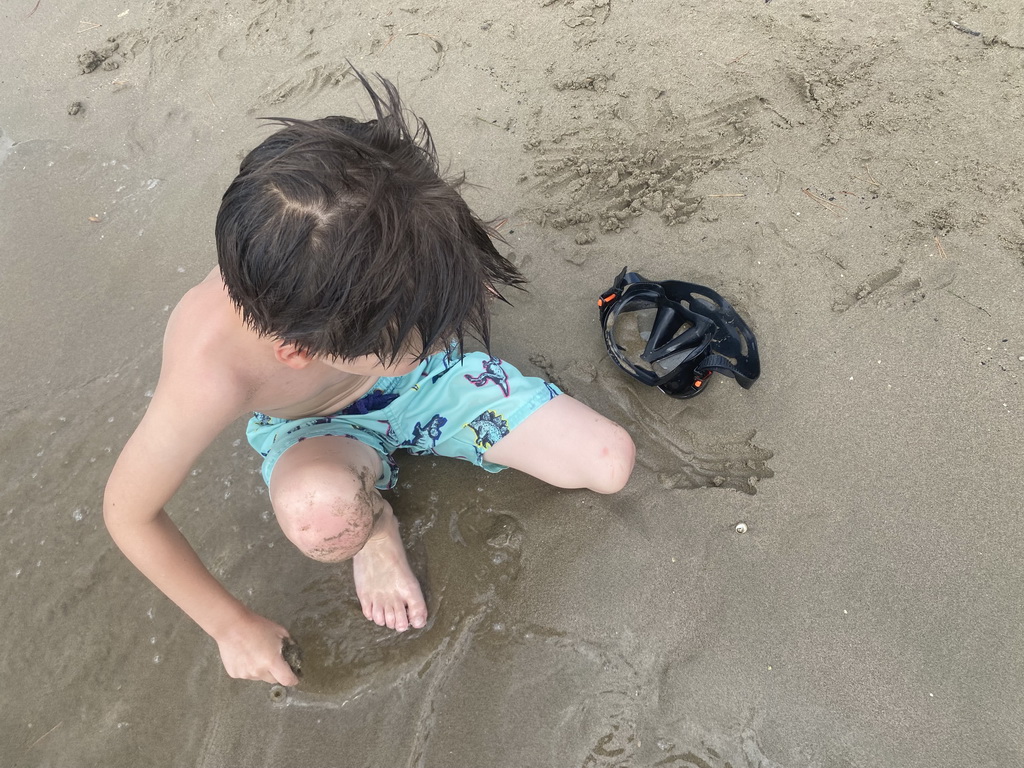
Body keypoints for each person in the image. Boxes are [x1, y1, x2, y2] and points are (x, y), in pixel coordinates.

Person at [103, 70, 635, 688]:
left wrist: (448, 279)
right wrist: (230, 625)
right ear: (299, 352)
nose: (445, 328)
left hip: (434, 385)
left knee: (607, 462)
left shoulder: (373, 216)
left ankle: (418, 398)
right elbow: (127, 512)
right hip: (319, 429)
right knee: (320, 517)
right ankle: (376, 527)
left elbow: (413, 253)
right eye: (423, 327)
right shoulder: (211, 371)